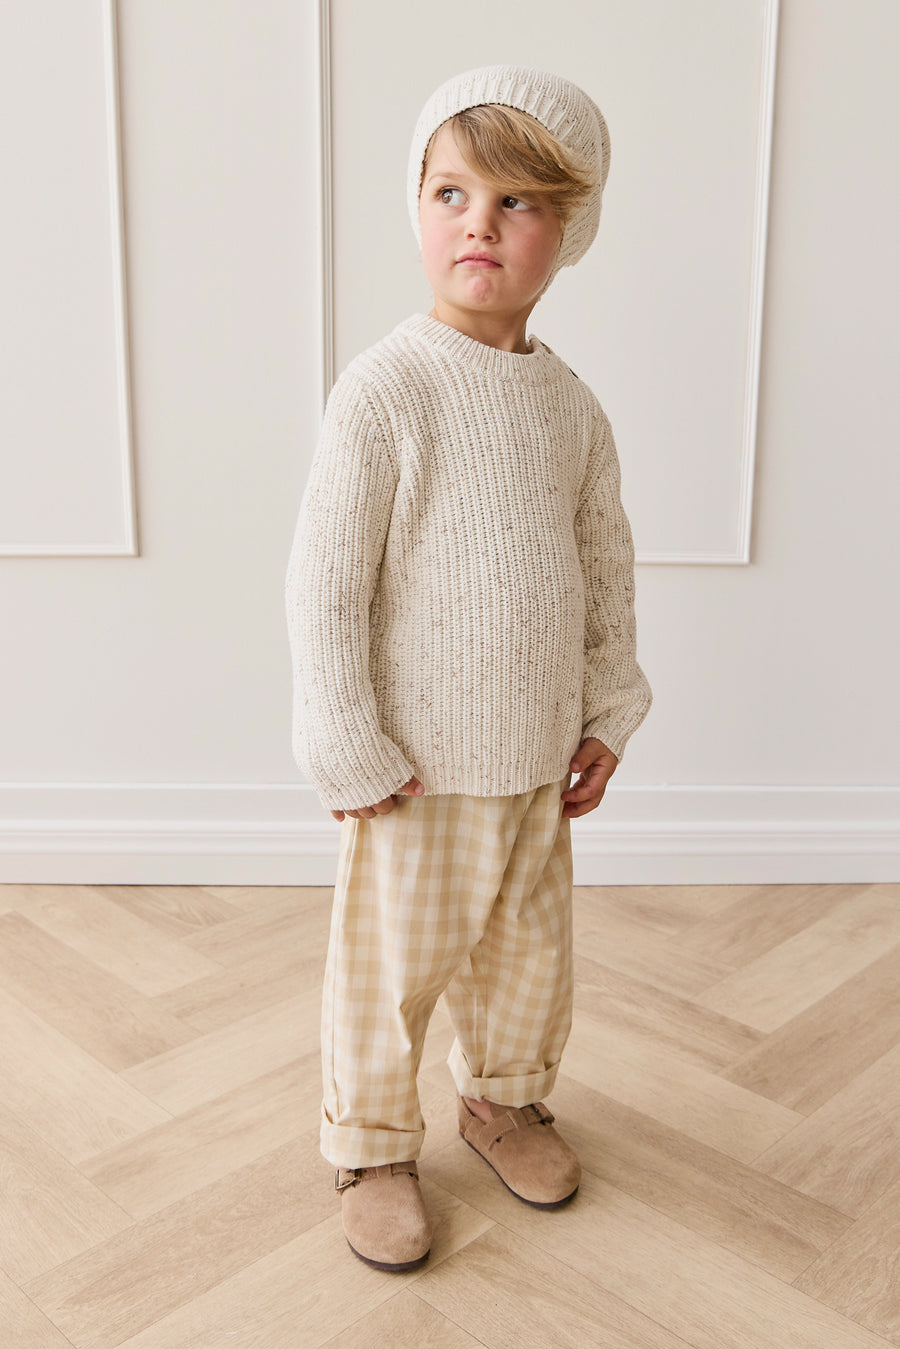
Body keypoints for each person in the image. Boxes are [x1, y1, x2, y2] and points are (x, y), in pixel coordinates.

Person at [284, 64, 652, 1273]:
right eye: (451, 193)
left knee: (528, 956)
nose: (478, 224)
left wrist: (609, 707)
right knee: (390, 970)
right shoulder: (386, 389)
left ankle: (502, 1095)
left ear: (569, 230)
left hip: (535, 753)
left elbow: (604, 567)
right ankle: (373, 1143)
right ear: (417, 206)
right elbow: (326, 581)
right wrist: (343, 733)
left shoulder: (570, 407)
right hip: (416, 770)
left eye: (515, 202)